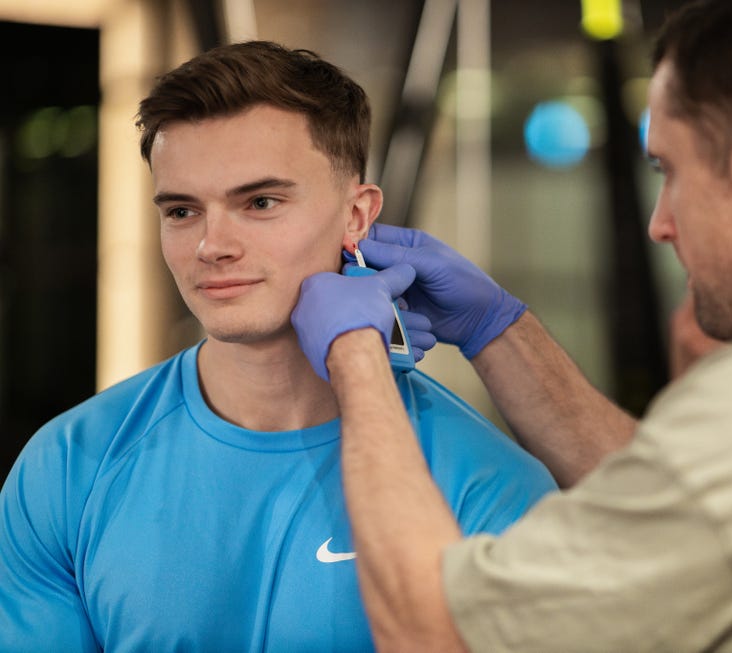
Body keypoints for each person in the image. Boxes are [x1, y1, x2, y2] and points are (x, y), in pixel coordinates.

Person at [289, 0, 732, 650]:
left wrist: (357, 354)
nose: (660, 222)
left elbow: (432, 626)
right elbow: (700, 511)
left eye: (670, 170)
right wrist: (498, 329)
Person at [0, 41, 556, 652]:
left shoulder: (486, 481)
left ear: (357, 215)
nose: (212, 246)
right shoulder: (68, 466)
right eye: (183, 210)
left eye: (260, 202)